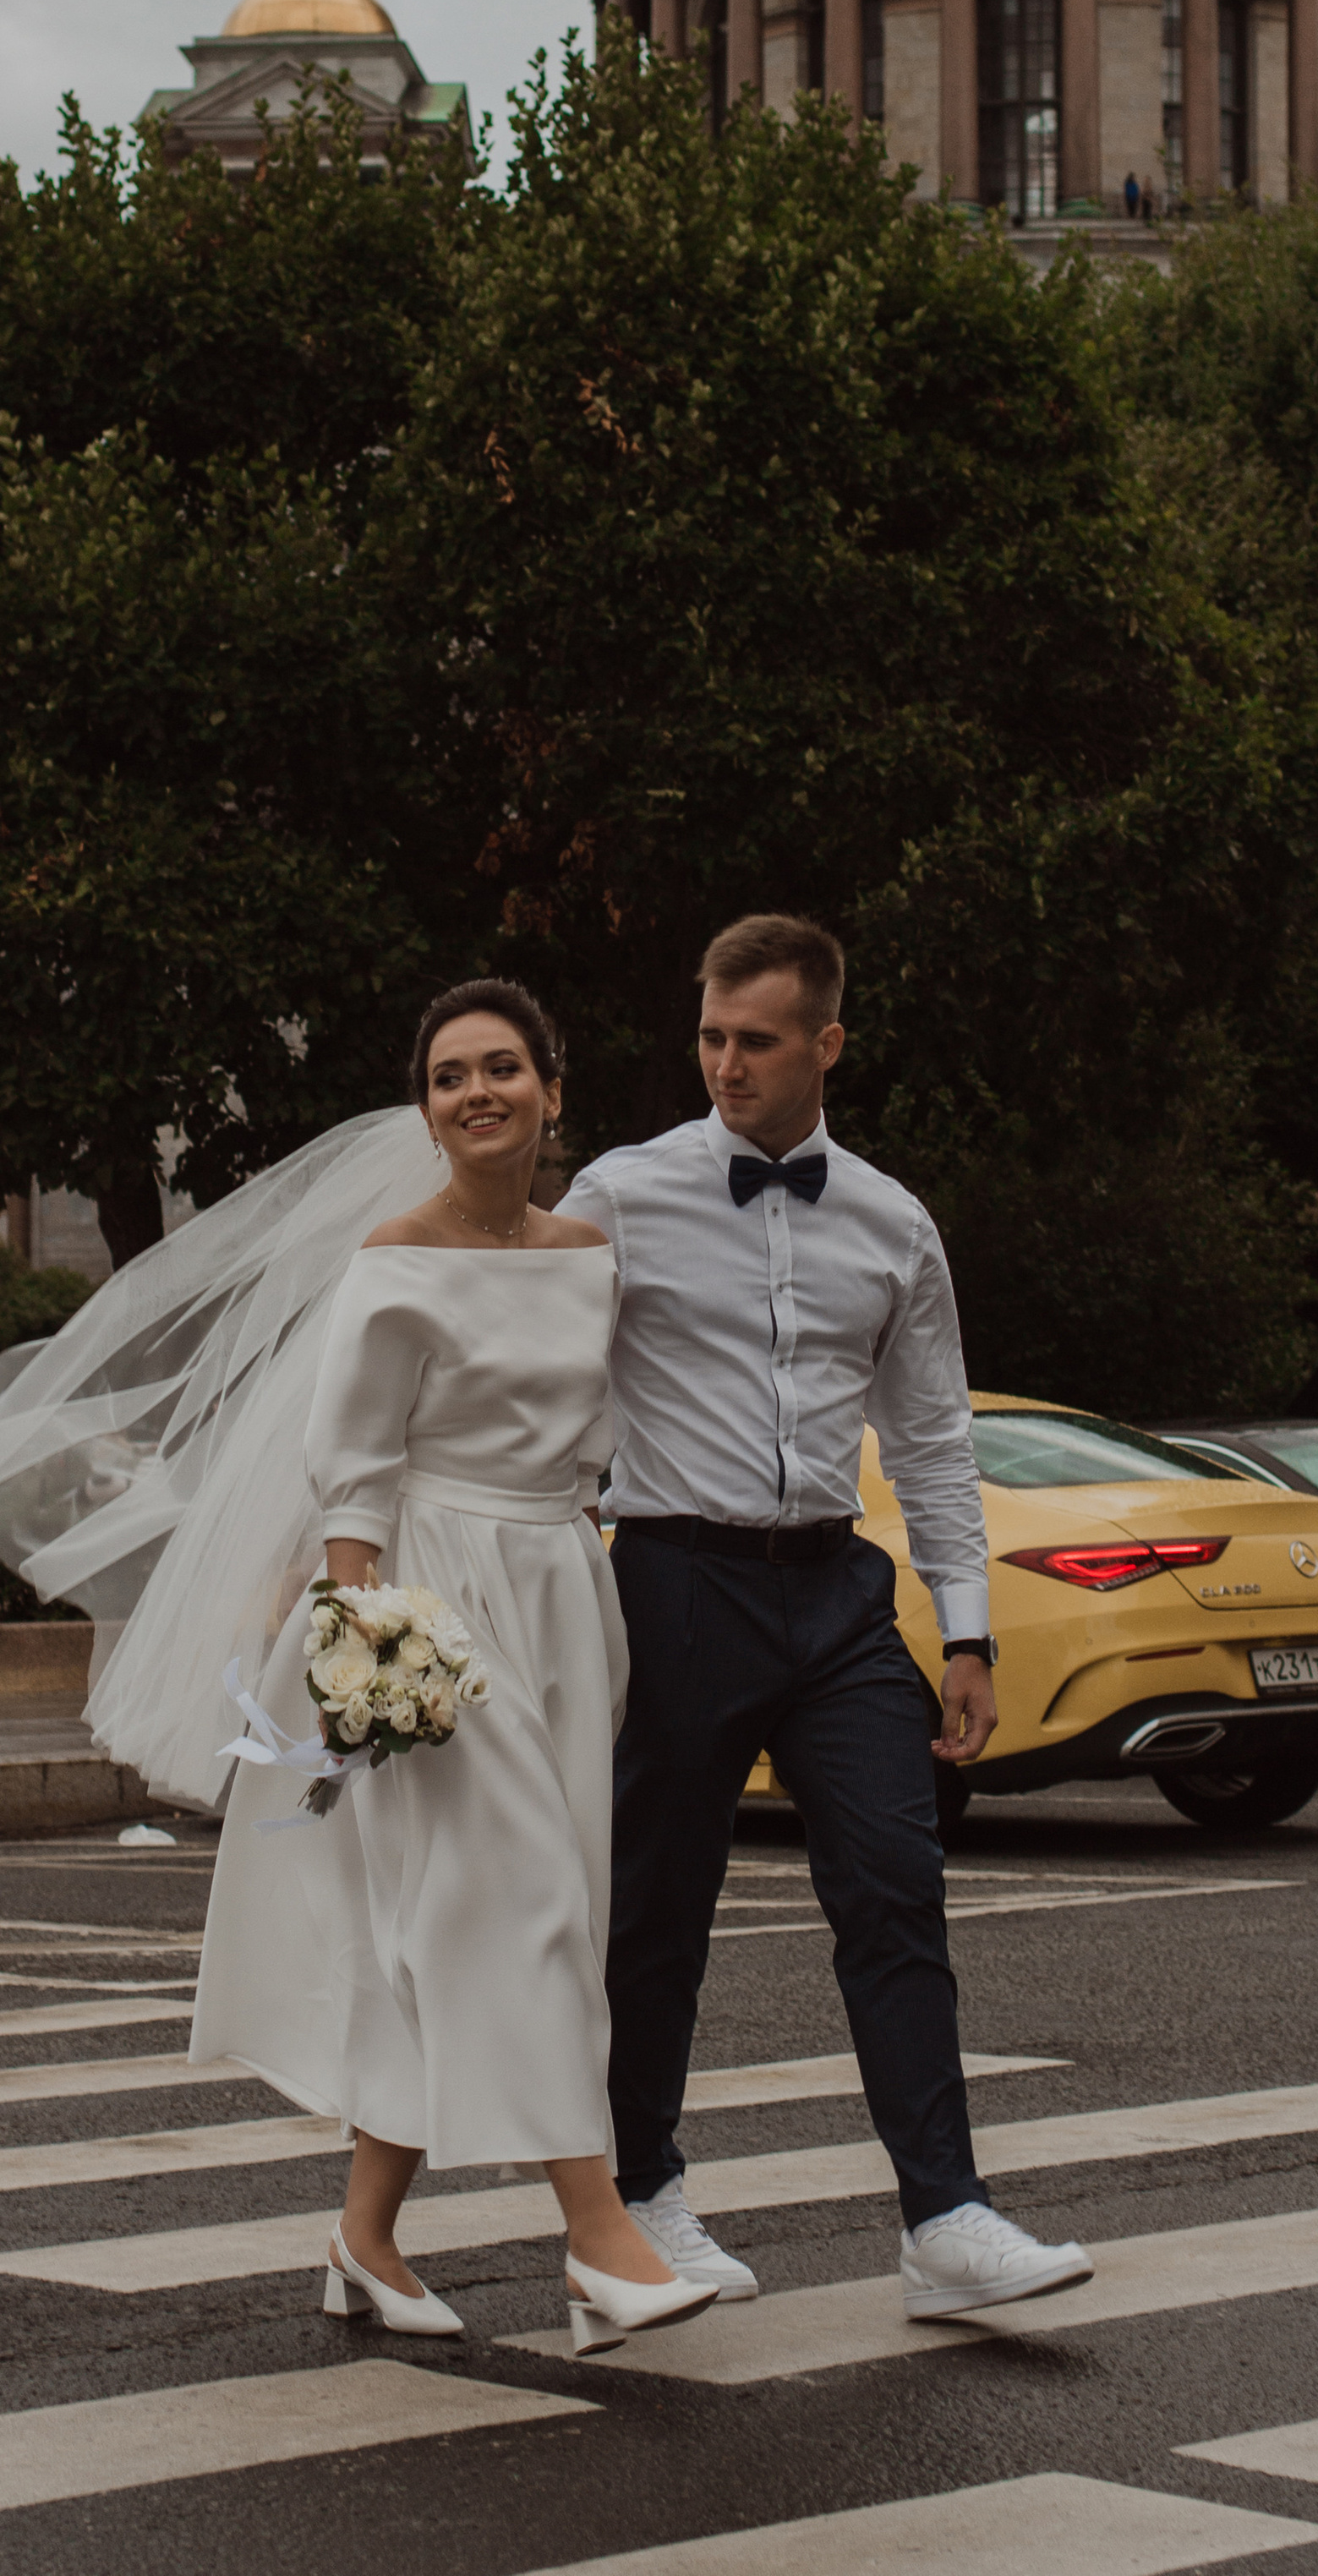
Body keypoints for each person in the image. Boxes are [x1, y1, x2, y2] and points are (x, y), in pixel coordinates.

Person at [560, 914, 1094, 2322]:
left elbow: (930, 1444)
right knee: (660, 1905)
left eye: (759, 1041)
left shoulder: (894, 1221)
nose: (728, 1066)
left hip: (840, 1596)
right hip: (674, 1578)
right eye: (712, 1039)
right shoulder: (620, 1196)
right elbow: (529, 1376)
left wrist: (967, 1633)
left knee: (894, 1886)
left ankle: (945, 2216)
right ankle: (644, 2192)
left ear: (828, 1044)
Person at [189, 979, 715, 2360]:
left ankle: (366, 2238)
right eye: (446, 1077)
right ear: (425, 1110)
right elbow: (350, 1477)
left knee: (470, 1930)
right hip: (431, 1597)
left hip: (560, 1591)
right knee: (522, 1900)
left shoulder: (590, 1252)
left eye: (500, 1068)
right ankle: (601, 2236)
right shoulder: (394, 1258)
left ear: (551, 1085)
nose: (475, 1092)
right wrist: (369, 1656)